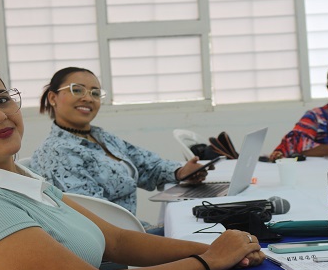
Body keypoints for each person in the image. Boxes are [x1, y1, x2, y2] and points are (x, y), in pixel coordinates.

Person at [0, 60, 264, 270]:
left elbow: (118, 241)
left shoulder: (19, 177)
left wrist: (215, 250)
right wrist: (208, 261)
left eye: (1, 99)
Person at [29, 67, 208, 234]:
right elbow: (96, 218)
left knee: (203, 220)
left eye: (95, 93)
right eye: (77, 90)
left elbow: (147, 164)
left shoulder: (101, 137)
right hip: (114, 242)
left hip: (131, 230)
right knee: (199, 228)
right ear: (53, 98)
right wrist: (150, 231)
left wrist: (181, 171)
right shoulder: (58, 152)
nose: (88, 98)